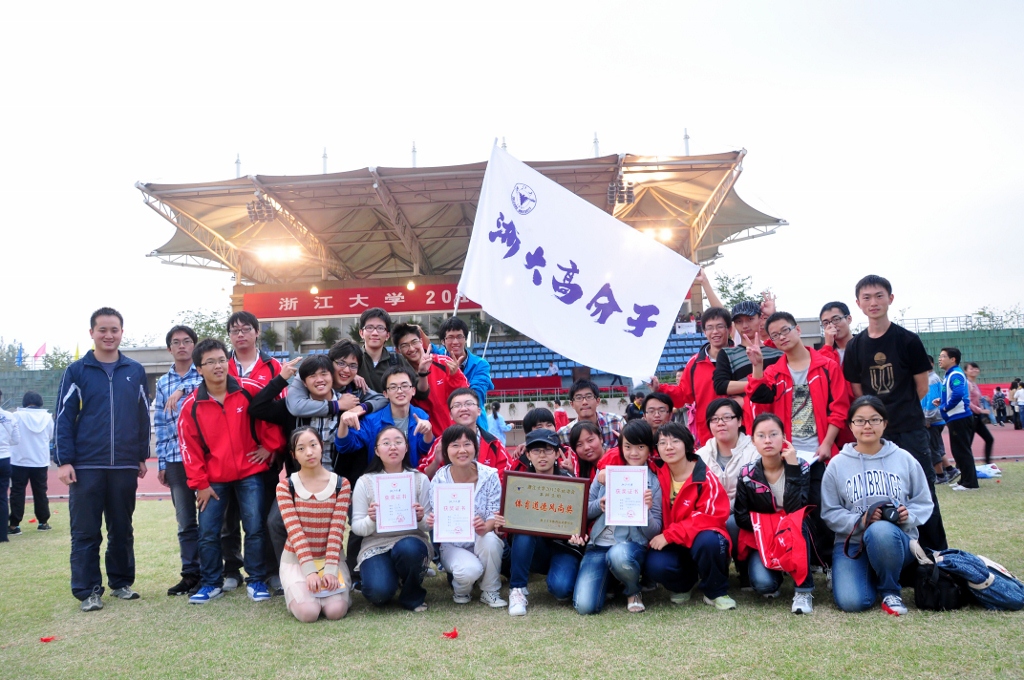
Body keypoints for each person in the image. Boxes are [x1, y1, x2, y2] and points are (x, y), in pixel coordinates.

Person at [177, 338, 286, 605]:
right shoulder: (192, 405)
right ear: (199, 369)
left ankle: (256, 579)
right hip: (213, 480)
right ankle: (211, 583)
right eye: (210, 362)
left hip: (250, 473)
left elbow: (274, 416)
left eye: (221, 360)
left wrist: (270, 446)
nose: (218, 366)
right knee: (208, 532)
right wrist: (200, 483)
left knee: (255, 528)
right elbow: (188, 447)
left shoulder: (249, 389)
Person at [55, 307, 150, 611]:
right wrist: (64, 460)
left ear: (122, 332)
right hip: (86, 466)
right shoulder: (76, 371)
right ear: (92, 333)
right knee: (86, 532)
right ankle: (88, 591)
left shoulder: (134, 370)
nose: (109, 335)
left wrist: (141, 455)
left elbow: (143, 415)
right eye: (102, 330)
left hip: (124, 464)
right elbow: (63, 417)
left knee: (121, 529)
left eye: (114, 330)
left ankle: (121, 583)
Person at [842, 275, 947, 550]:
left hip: (910, 429)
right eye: (866, 297)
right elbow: (858, 392)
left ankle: (936, 554)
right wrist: (876, 421)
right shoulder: (855, 346)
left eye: (879, 295)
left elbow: (921, 387)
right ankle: (889, 550)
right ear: (858, 304)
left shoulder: (908, 340)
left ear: (890, 298)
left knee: (923, 491)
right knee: (878, 493)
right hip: (873, 434)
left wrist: (897, 412)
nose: (873, 302)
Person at [821, 396, 933, 616]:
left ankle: (890, 591)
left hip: (895, 541)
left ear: (885, 423)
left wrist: (908, 515)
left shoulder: (904, 459)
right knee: (852, 602)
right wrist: (860, 520)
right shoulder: (837, 464)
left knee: (880, 530)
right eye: (860, 420)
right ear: (850, 425)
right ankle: (863, 573)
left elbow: (923, 501)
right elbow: (830, 511)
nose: (867, 426)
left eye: (874, 419)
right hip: (852, 543)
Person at [644, 422, 735, 611]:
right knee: (654, 564)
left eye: (675, 441)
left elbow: (709, 518)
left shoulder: (704, 478)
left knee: (710, 541)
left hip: (698, 539)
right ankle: (683, 585)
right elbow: (628, 453)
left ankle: (715, 591)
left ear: (686, 444)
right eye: (662, 443)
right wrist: (603, 469)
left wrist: (669, 535)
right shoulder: (654, 471)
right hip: (671, 542)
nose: (669, 447)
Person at [574, 420, 661, 614]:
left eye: (640, 447)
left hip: (631, 546)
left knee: (618, 555)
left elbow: (655, 531)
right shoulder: (605, 473)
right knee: (585, 606)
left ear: (649, 449)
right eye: (628, 447)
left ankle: (633, 590)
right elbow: (583, 511)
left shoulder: (653, 481)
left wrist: (646, 511)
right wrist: (600, 505)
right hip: (599, 545)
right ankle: (613, 580)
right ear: (621, 447)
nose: (634, 453)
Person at [495, 429, 585, 616]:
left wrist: (579, 536)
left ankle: (566, 574)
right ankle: (517, 589)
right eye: (536, 451)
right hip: (534, 549)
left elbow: (579, 521)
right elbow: (509, 521)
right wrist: (501, 525)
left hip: (563, 547)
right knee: (524, 529)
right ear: (528, 454)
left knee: (561, 589)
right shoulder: (518, 484)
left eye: (548, 450)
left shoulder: (571, 483)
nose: (542, 456)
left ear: (557, 453)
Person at [734, 414, 816, 615]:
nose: (768, 440)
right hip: (763, 537)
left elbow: (797, 510)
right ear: (753, 441)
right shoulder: (747, 474)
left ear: (784, 437)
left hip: (795, 532)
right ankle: (778, 573)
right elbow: (740, 517)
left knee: (798, 522)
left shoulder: (801, 466)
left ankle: (803, 591)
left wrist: (793, 469)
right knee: (764, 585)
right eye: (761, 436)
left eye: (773, 434)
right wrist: (771, 525)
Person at [351, 426, 432, 612]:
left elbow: (429, 525)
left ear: (406, 447)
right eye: (386, 443)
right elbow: (357, 527)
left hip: (411, 541)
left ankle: (412, 595)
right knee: (378, 593)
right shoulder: (365, 482)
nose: (393, 447)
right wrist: (371, 519)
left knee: (409, 548)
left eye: (398, 442)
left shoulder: (419, 479)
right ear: (377, 450)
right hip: (376, 544)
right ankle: (393, 576)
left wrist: (421, 518)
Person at [276, 427, 352, 622]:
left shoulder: (341, 484)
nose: (309, 452)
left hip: (331, 559)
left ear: (321, 447)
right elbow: (295, 531)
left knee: (335, 611)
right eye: (301, 449)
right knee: (309, 613)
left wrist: (330, 570)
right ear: (293, 455)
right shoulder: (286, 486)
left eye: (313, 445)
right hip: (296, 561)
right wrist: (310, 572)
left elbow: (337, 530)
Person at [428, 424, 506, 608]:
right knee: (469, 571)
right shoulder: (440, 479)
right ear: (446, 450)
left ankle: (490, 590)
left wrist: (485, 527)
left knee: (491, 540)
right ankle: (462, 590)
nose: (462, 450)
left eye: (467, 444)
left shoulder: (489, 476)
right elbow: (435, 516)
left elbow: (494, 513)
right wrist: (433, 521)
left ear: (475, 447)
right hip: (453, 544)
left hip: (480, 539)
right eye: (455, 445)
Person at [152, 324, 204, 596]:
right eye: (176, 342)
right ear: (169, 348)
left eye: (186, 341)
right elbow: (161, 425)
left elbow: (215, 386)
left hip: (205, 457)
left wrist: (183, 389)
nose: (182, 346)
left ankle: (214, 572)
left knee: (212, 519)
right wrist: (162, 463)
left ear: (194, 345)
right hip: (175, 459)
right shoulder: (162, 383)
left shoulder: (205, 372)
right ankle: (190, 574)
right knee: (185, 521)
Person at [651, 306, 733, 446]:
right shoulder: (695, 363)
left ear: (729, 329)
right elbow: (683, 395)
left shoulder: (741, 357)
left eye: (720, 326)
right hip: (708, 435)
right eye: (710, 328)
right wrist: (660, 388)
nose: (715, 332)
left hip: (739, 431)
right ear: (704, 331)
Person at [695, 398, 759, 573]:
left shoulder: (755, 453)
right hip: (711, 515)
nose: (720, 423)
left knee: (732, 522)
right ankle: (717, 567)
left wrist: (722, 510)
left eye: (726, 417)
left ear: (739, 421)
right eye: (714, 419)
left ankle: (743, 564)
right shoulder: (700, 456)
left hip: (744, 516)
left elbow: (753, 495)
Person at [335, 366, 434, 470]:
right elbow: (345, 446)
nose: (400, 391)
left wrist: (428, 432)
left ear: (413, 390)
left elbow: (425, 450)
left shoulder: (421, 416)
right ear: (385, 394)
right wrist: (343, 422)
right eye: (393, 387)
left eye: (404, 386)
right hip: (379, 476)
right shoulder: (372, 420)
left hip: (412, 475)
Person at [392, 323, 469, 437]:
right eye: (405, 345)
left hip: (456, 433)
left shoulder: (444, 362)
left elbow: (466, 395)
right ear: (398, 350)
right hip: (428, 438)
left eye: (414, 342)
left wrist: (454, 376)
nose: (411, 349)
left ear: (421, 342)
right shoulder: (402, 377)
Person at [713, 301, 784, 419]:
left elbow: (782, 386)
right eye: (739, 321)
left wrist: (753, 388)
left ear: (760, 319)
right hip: (743, 419)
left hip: (775, 416)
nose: (745, 325)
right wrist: (757, 385)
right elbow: (720, 385)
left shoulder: (777, 353)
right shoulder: (727, 353)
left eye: (750, 319)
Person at [417, 388, 509, 479]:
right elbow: (423, 478)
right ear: (450, 415)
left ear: (479, 411)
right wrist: (436, 462)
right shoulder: (441, 443)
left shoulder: (494, 444)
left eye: (469, 404)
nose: (463, 409)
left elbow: (506, 478)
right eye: (457, 405)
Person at [433, 317, 494, 431]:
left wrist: (456, 376)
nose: (455, 342)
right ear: (443, 341)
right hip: (445, 427)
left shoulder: (481, 365)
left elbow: (476, 396)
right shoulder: (438, 360)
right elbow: (427, 346)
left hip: (474, 426)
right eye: (450, 337)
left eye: (459, 337)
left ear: (465, 339)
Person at [9, 391, 52, 535]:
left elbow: (12, 435)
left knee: (17, 491)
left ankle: (14, 525)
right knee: (40, 492)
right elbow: (50, 436)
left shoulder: (16, 416)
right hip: (40, 460)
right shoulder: (47, 417)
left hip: (19, 460)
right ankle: (43, 522)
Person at [935, 348, 978, 491]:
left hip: (960, 417)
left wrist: (946, 407)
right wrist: (942, 401)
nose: (940, 359)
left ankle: (970, 483)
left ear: (953, 359)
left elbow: (958, 394)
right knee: (958, 451)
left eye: (943, 356)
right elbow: (952, 393)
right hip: (955, 418)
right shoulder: (949, 375)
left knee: (962, 451)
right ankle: (964, 480)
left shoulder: (955, 374)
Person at [556, 379, 623, 451]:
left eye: (589, 396)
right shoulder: (564, 434)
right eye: (579, 398)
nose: (584, 402)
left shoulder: (616, 422)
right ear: (572, 404)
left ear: (597, 401)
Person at [922, 356, 959, 485]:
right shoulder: (930, 378)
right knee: (936, 446)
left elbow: (932, 402)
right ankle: (949, 470)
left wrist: (927, 419)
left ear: (931, 364)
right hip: (935, 419)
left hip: (932, 420)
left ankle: (941, 475)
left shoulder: (931, 380)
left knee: (933, 448)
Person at [964, 362, 995, 465]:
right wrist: (980, 410)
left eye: (976, 368)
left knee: (989, 439)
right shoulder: (967, 384)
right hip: (971, 416)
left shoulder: (974, 384)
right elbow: (967, 401)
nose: (974, 370)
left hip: (977, 417)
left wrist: (983, 402)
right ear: (965, 371)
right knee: (967, 443)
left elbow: (976, 399)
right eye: (971, 368)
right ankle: (961, 466)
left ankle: (988, 463)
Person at [0, 388, 20, 542]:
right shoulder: (9, 416)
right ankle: (2, 534)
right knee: (2, 497)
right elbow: (16, 440)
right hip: (5, 458)